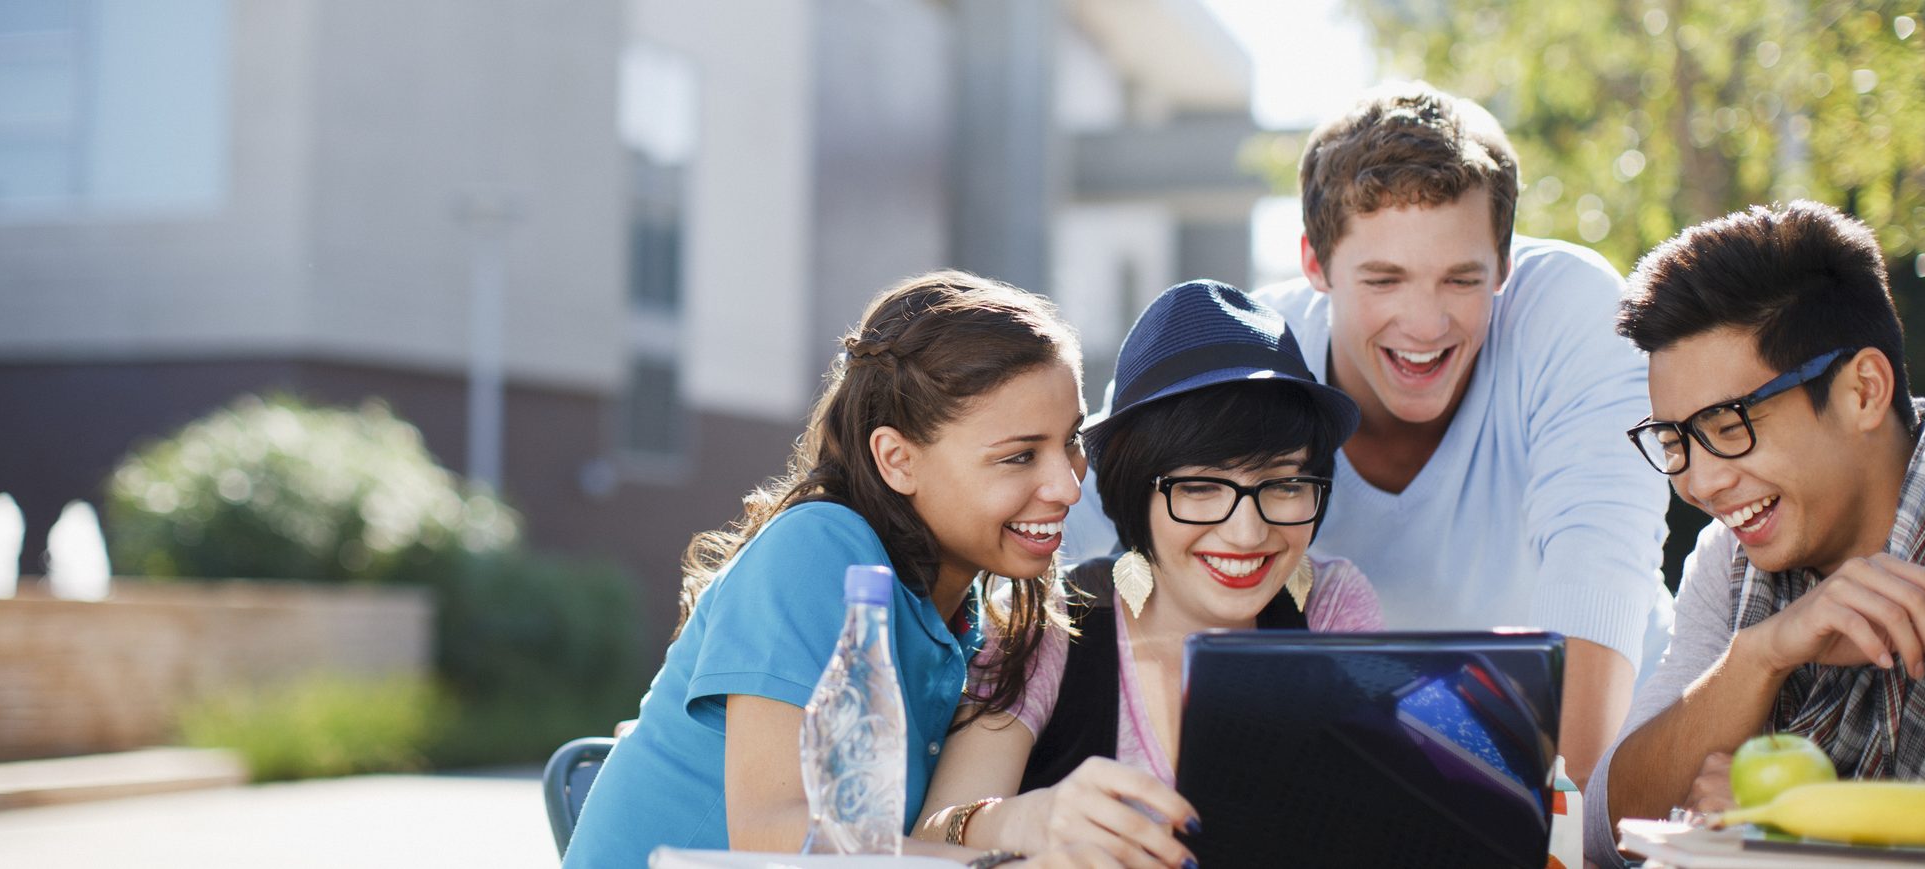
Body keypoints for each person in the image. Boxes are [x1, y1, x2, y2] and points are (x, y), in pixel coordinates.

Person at [1067, 81, 1673, 783]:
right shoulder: (1250, 352)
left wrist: (1568, 821)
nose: (1424, 323)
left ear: (1504, 264)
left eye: (1460, 280)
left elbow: (1599, 566)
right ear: (1314, 265)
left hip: (1608, 748)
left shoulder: (1571, 310)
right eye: (1383, 279)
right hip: (1368, 755)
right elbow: (1076, 504)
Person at [565, 271, 1101, 868]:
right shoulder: (819, 547)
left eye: (1072, 440)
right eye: (1020, 456)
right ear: (897, 460)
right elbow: (773, 834)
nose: (1068, 485)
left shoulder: (971, 619)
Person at [1587, 200, 1925, 866]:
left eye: (1728, 428)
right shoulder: (1729, 563)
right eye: (1675, 441)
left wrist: (1809, 832)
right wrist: (1756, 658)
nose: (1699, 482)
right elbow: (1601, 833)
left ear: (1862, 390)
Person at [914, 280, 1384, 867]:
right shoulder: (1054, 620)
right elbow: (930, 841)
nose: (1246, 534)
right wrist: (1016, 821)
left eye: (1284, 484)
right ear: (1135, 491)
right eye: (1200, 488)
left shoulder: (1331, 606)